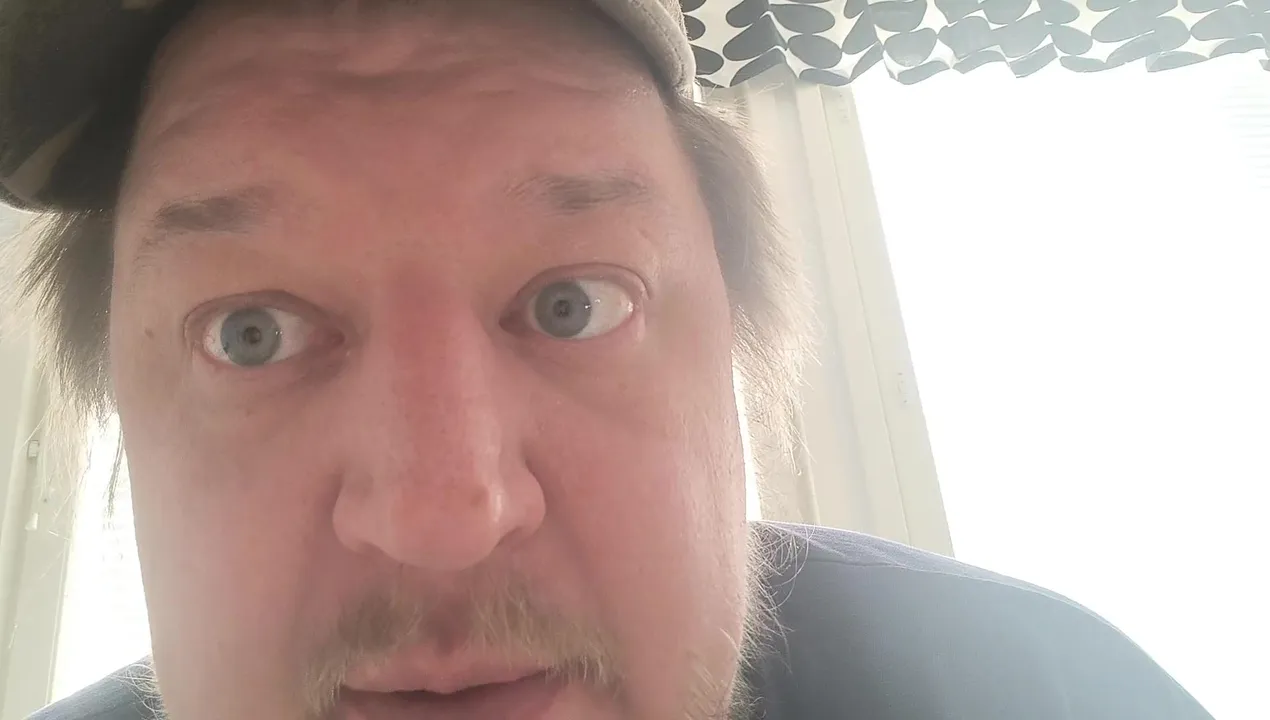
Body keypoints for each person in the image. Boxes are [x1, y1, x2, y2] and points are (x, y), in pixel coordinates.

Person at [0, 1, 1212, 719]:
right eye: (250, 334)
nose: (443, 517)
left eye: (572, 304)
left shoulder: (1043, 693)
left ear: (736, 364)